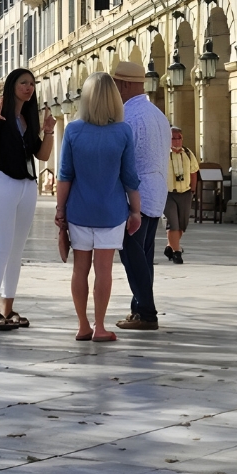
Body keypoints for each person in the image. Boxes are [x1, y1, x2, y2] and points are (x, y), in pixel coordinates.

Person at [56, 73, 142, 343]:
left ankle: (83, 325)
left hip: (79, 211)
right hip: (111, 211)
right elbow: (129, 177)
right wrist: (136, 211)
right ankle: (100, 326)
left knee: (79, 269)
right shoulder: (123, 131)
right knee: (104, 270)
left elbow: (65, 176)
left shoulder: (73, 130)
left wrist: (60, 210)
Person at [0, 68, 56, 331]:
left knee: (17, 251)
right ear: (12, 86)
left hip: (26, 186)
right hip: (3, 183)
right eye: (23, 83)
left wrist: (49, 132)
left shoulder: (27, 119)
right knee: (2, 248)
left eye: (32, 83)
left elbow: (42, 156)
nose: (29, 87)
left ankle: (8, 307)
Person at [112, 61, 171, 331]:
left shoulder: (128, 117)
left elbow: (124, 162)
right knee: (144, 256)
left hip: (136, 196)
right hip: (156, 193)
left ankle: (146, 312)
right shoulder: (157, 114)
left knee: (133, 256)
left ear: (123, 84)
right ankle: (139, 308)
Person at [163, 127, 200, 265]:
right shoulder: (163, 153)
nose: (177, 141)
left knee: (182, 225)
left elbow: (193, 172)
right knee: (173, 223)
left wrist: (192, 191)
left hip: (185, 192)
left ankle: (170, 246)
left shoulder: (188, 153)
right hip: (168, 194)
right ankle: (177, 252)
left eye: (179, 138)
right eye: (173, 138)